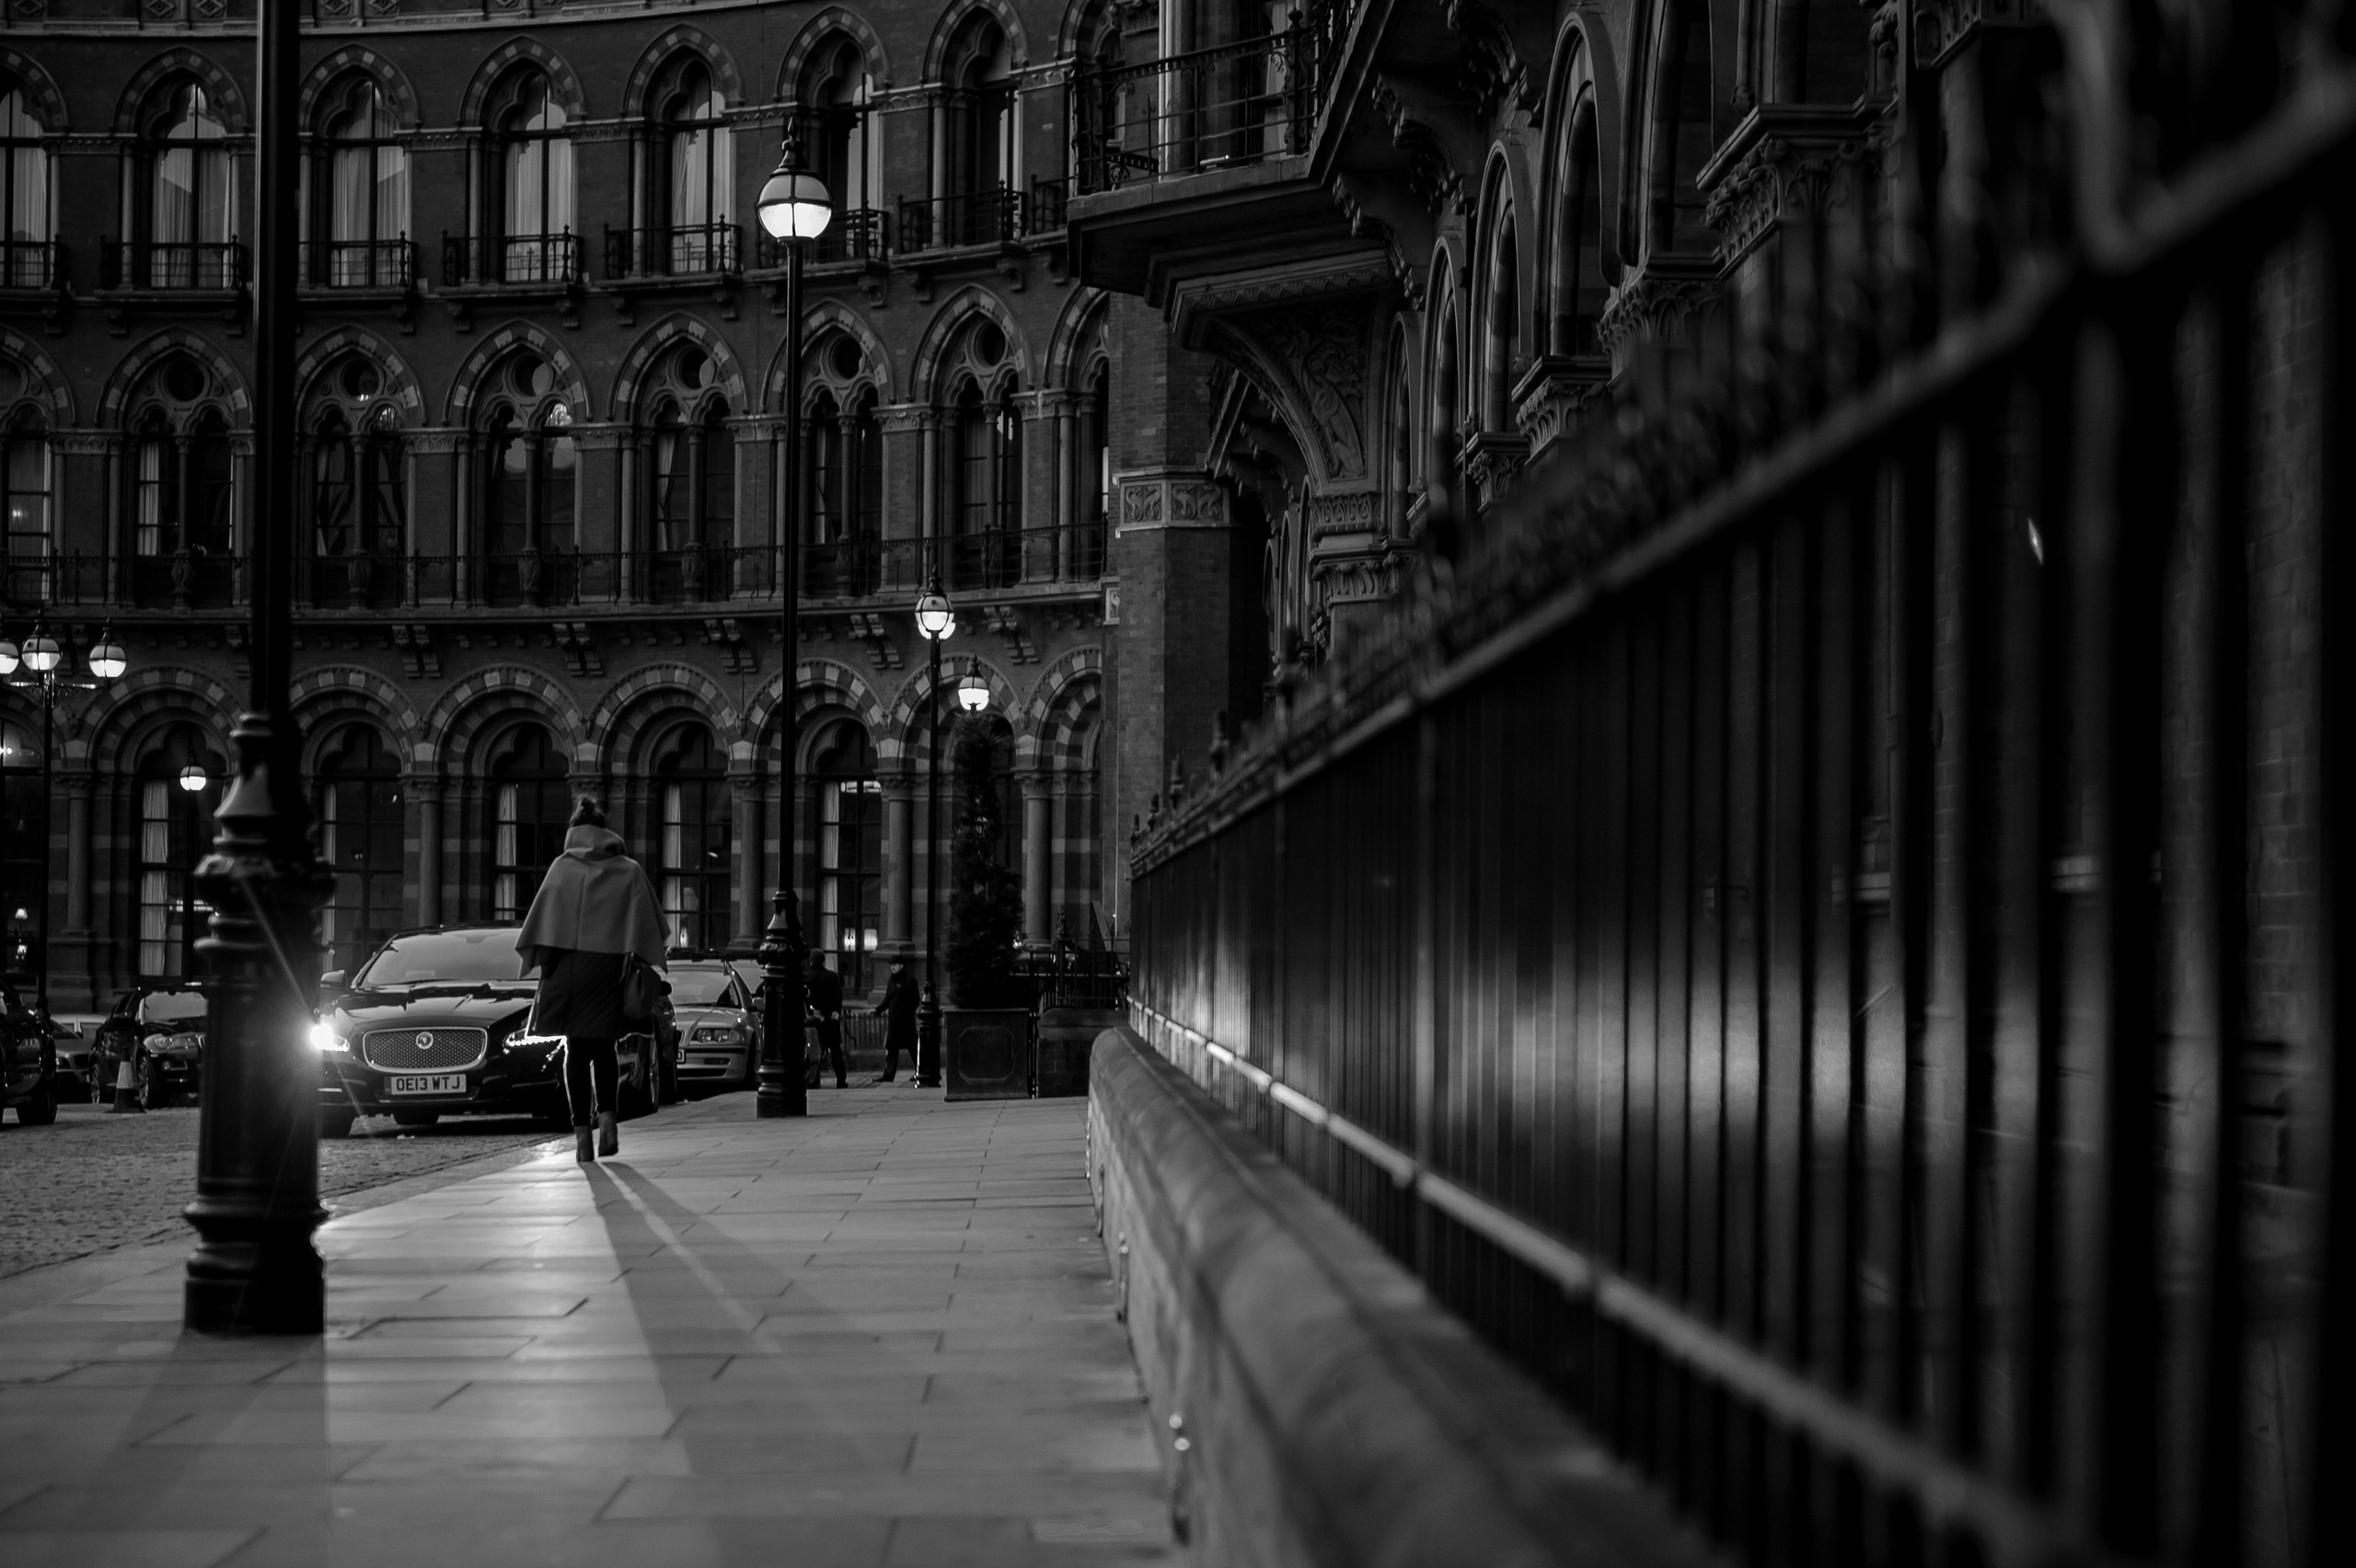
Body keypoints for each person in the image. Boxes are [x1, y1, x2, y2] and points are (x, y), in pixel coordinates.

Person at [517, 798, 667, 1163]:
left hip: (569, 972)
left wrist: (545, 966)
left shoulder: (560, 869)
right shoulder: (629, 870)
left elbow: (542, 924)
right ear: (605, 829)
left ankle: (582, 1134)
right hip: (609, 972)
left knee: (575, 1053)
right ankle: (609, 1120)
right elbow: (649, 929)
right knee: (604, 1049)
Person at [806, 951, 847, 1089]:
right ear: (823, 961)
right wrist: (835, 1013)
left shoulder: (806, 977)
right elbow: (838, 998)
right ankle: (841, 1080)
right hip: (829, 1019)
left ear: (811, 961)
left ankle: (814, 1079)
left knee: (812, 1051)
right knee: (835, 1051)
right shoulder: (832, 976)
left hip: (811, 1019)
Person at [875, 957, 918, 1082]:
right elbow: (887, 999)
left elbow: (915, 1000)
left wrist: (907, 1011)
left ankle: (919, 1070)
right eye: (891, 965)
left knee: (913, 1047)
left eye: (895, 964)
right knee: (891, 1048)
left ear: (901, 965)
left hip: (906, 1021)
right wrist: (878, 1010)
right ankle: (888, 1074)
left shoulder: (910, 981)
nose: (892, 967)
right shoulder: (891, 981)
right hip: (894, 1021)